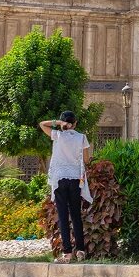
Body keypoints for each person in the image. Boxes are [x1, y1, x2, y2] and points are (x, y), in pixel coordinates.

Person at [37, 111, 90, 262]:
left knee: (63, 216)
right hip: (75, 180)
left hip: (60, 180)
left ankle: (67, 253)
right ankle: (80, 250)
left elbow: (42, 124)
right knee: (76, 215)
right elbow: (86, 160)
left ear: (62, 122)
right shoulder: (81, 137)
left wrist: (58, 124)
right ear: (75, 123)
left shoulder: (57, 136)